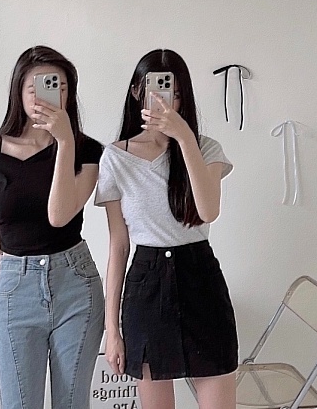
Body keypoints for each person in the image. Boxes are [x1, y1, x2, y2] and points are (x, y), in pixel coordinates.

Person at [95, 49, 238, 409]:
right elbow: (118, 247)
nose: (163, 99)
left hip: (200, 279)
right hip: (147, 284)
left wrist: (185, 138)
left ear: (183, 96)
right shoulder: (116, 157)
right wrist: (112, 330)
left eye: (173, 91)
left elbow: (208, 211)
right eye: (155, 89)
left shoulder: (206, 148)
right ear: (136, 92)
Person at [0, 46, 104, 409]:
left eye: (60, 87)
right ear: (19, 91)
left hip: (76, 283)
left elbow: (60, 215)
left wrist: (65, 141)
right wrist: (10, 285)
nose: (49, 96)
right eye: (38, 87)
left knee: (72, 403)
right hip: (17, 283)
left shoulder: (88, 151)